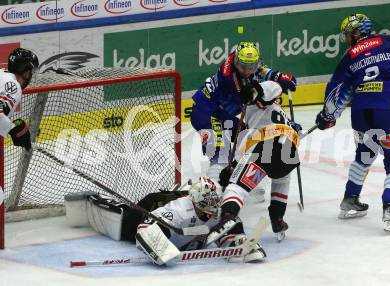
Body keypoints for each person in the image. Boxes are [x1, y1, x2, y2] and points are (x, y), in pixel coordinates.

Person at [314, 14, 390, 233]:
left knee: (365, 153)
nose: (346, 39)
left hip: (361, 110)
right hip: (387, 107)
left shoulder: (349, 55)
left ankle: (350, 199)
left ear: (357, 33)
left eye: (348, 35)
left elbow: (337, 91)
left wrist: (328, 115)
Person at [65, 176, 266, 265]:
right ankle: (93, 200)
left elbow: (225, 229)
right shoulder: (179, 211)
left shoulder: (215, 210)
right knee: (122, 217)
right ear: (195, 202)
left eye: (215, 203)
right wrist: (161, 250)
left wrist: (238, 241)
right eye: (208, 204)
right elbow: (144, 229)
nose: (213, 210)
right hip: (134, 224)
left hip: (182, 238)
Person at [190, 42, 297, 187]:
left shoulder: (246, 60)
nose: (247, 70)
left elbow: (264, 72)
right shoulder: (228, 76)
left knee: (248, 139)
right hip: (205, 113)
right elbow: (254, 100)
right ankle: (213, 190)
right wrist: (279, 91)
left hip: (223, 113)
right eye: (243, 67)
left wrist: (281, 77)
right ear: (236, 62)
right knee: (221, 152)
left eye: (250, 67)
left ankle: (243, 182)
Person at [216, 80, 302, 241]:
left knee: (236, 188)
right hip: (290, 151)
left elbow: (270, 88)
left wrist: (255, 90)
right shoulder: (276, 111)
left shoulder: (255, 104)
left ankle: (227, 218)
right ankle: (277, 219)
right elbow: (274, 90)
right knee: (282, 179)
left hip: (267, 145)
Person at [0, 48, 39, 150]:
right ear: (26, 73)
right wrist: (12, 129)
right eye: (31, 72)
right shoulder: (14, 85)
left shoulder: (2, 74)